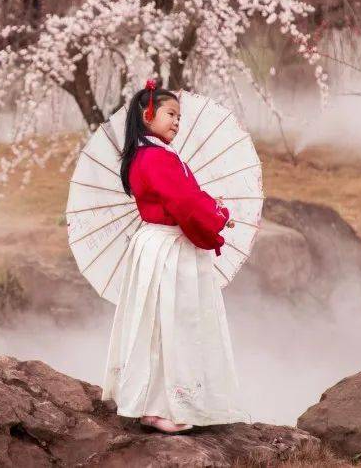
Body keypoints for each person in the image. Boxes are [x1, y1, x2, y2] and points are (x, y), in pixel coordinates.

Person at [101, 79, 251, 433]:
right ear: (147, 113)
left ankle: (158, 401)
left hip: (161, 244)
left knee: (162, 321)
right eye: (170, 114)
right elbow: (183, 202)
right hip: (168, 247)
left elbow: (184, 196)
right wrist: (218, 216)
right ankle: (158, 406)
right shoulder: (155, 157)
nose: (177, 122)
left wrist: (209, 206)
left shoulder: (148, 155)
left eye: (180, 117)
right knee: (171, 321)